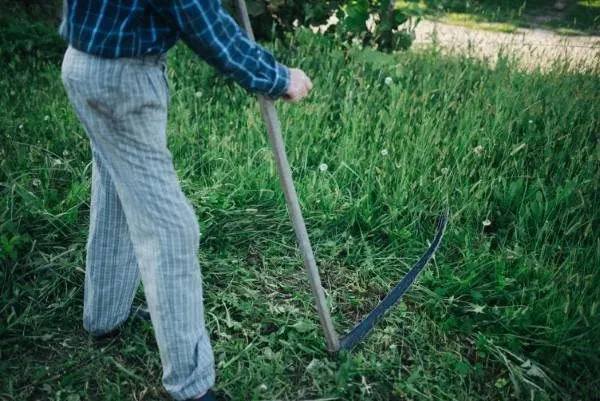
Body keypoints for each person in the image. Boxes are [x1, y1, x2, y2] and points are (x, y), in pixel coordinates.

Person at [59, 1, 313, 400]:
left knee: (116, 190)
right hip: (121, 82)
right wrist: (276, 77)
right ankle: (191, 389)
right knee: (172, 230)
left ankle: (105, 316)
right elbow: (200, 18)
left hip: (84, 65)